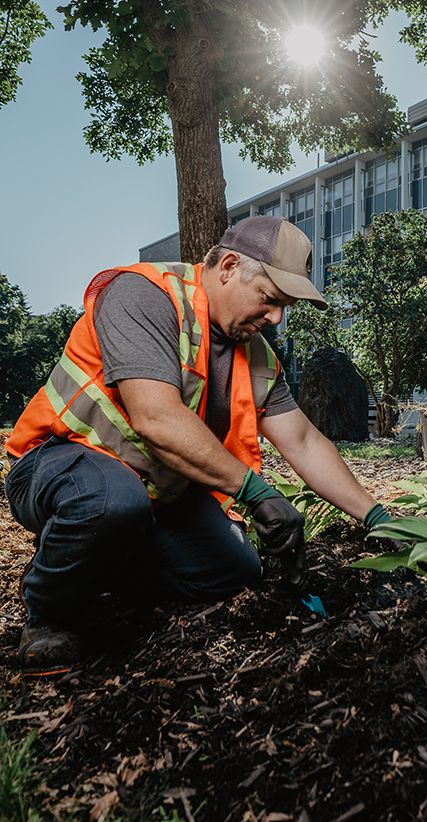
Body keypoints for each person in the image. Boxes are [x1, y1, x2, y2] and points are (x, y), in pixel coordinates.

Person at [3, 215, 390, 673]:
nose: (276, 318)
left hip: (154, 495)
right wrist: (255, 492)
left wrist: (376, 516)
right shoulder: (145, 296)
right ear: (228, 266)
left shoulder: (258, 355)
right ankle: (50, 610)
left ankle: (94, 569)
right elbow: (156, 418)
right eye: (269, 299)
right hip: (59, 467)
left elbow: (303, 440)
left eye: (285, 306)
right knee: (110, 503)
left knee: (235, 569)